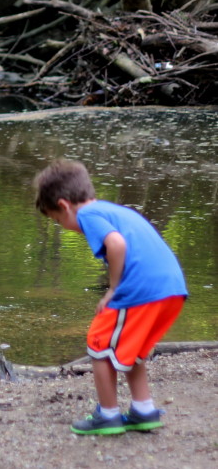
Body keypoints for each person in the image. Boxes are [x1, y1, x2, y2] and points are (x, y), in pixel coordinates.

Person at [34, 158, 187, 436]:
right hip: (171, 287)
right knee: (131, 347)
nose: (63, 225)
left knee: (99, 343)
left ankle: (108, 415)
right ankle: (143, 409)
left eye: (57, 220)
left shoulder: (87, 215)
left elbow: (116, 244)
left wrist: (114, 288)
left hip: (142, 289)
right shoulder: (112, 209)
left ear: (64, 205)